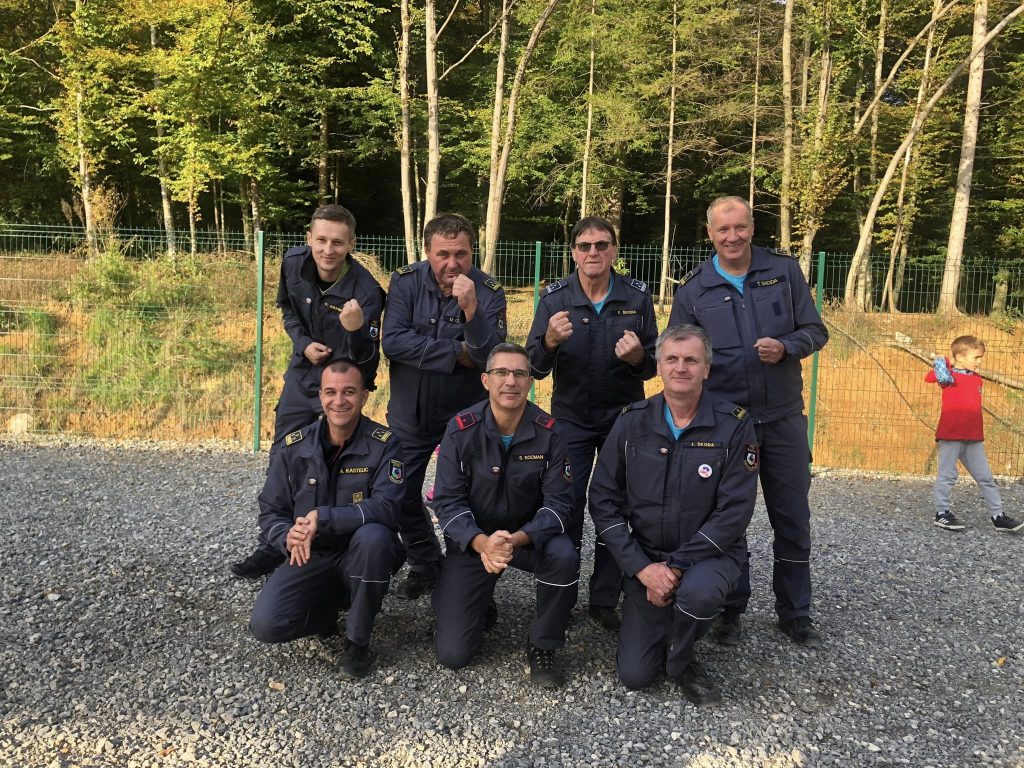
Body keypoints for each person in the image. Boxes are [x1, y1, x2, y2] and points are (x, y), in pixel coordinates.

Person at [669, 195, 828, 648]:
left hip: (782, 419)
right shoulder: (694, 290)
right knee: (725, 520)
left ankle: (795, 614)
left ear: (753, 228)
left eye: (740, 227)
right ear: (710, 234)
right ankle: (729, 610)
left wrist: (787, 347)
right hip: (725, 425)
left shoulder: (784, 272)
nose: (732, 237)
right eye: (723, 230)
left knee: (792, 518)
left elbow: (815, 331)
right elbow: (677, 352)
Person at [588, 325, 757, 705]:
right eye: (672, 359)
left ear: (706, 369)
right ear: (659, 366)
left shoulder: (734, 425)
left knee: (699, 594)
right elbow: (602, 498)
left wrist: (676, 567)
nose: (681, 368)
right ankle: (667, 626)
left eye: (691, 360)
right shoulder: (631, 421)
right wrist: (641, 568)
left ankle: (683, 660)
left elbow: (735, 511)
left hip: (709, 556)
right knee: (635, 676)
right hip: (647, 556)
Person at [231, 203, 385, 579]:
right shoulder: (292, 264)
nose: (328, 250)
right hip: (302, 379)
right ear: (309, 238)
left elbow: (369, 359)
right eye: (321, 240)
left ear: (351, 245)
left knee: (339, 465)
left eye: (338, 242)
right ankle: (275, 543)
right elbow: (287, 310)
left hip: (341, 390)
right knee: (283, 456)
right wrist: (302, 344)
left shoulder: (368, 292)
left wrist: (355, 329)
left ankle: (336, 545)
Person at [525, 216, 657, 631]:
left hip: (624, 419)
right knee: (565, 505)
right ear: (573, 253)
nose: (593, 252)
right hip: (571, 420)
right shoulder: (554, 299)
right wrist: (549, 341)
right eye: (585, 246)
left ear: (614, 250)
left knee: (616, 506)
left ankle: (604, 600)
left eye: (602, 245)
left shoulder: (637, 297)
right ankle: (561, 594)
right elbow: (534, 367)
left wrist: (638, 357)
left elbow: (654, 365)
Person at [431, 343, 578, 687]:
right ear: (486, 380)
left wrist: (518, 538)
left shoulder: (551, 432)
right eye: (501, 372)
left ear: (530, 382)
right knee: (452, 654)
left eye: (519, 374)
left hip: (528, 537)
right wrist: (482, 542)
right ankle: (475, 603)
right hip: (476, 540)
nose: (510, 381)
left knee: (564, 555)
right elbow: (447, 502)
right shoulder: (460, 429)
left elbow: (561, 505)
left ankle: (544, 643)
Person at [249, 358, 405, 679]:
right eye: (331, 392)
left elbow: (389, 507)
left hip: (361, 554)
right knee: (266, 625)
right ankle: (327, 614)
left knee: (375, 538)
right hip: (311, 554)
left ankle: (357, 643)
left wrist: (324, 517)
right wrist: (286, 535)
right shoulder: (293, 446)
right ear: (320, 396)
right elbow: (271, 510)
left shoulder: (385, 445)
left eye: (349, 392)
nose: (339, 401)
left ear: (364, 396)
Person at [382, 213, 508, 600]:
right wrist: (456, 353)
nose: (452, 264)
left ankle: (465, 574)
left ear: (473, 252)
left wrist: (472, 311)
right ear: (427, 252)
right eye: (443, 255)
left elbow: (491, 357)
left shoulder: (489, 291)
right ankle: (425, 561)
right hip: (411, 413)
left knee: (472, 498)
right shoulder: (405, 282)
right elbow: (393, 342)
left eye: (461, 254)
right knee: (399, 491)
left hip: (467, 416)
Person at [926, 335, 1023, 533]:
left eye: (981, 358)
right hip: (951, 436)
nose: (979, 362)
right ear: (960, 357)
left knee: (986, 477)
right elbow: (933, 377)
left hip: (973, 438)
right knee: (947, 475)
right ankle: (942, 513)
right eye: (976, 357)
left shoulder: (976, 379)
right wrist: (943, 361)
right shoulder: (948, 377)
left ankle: (998, 516)